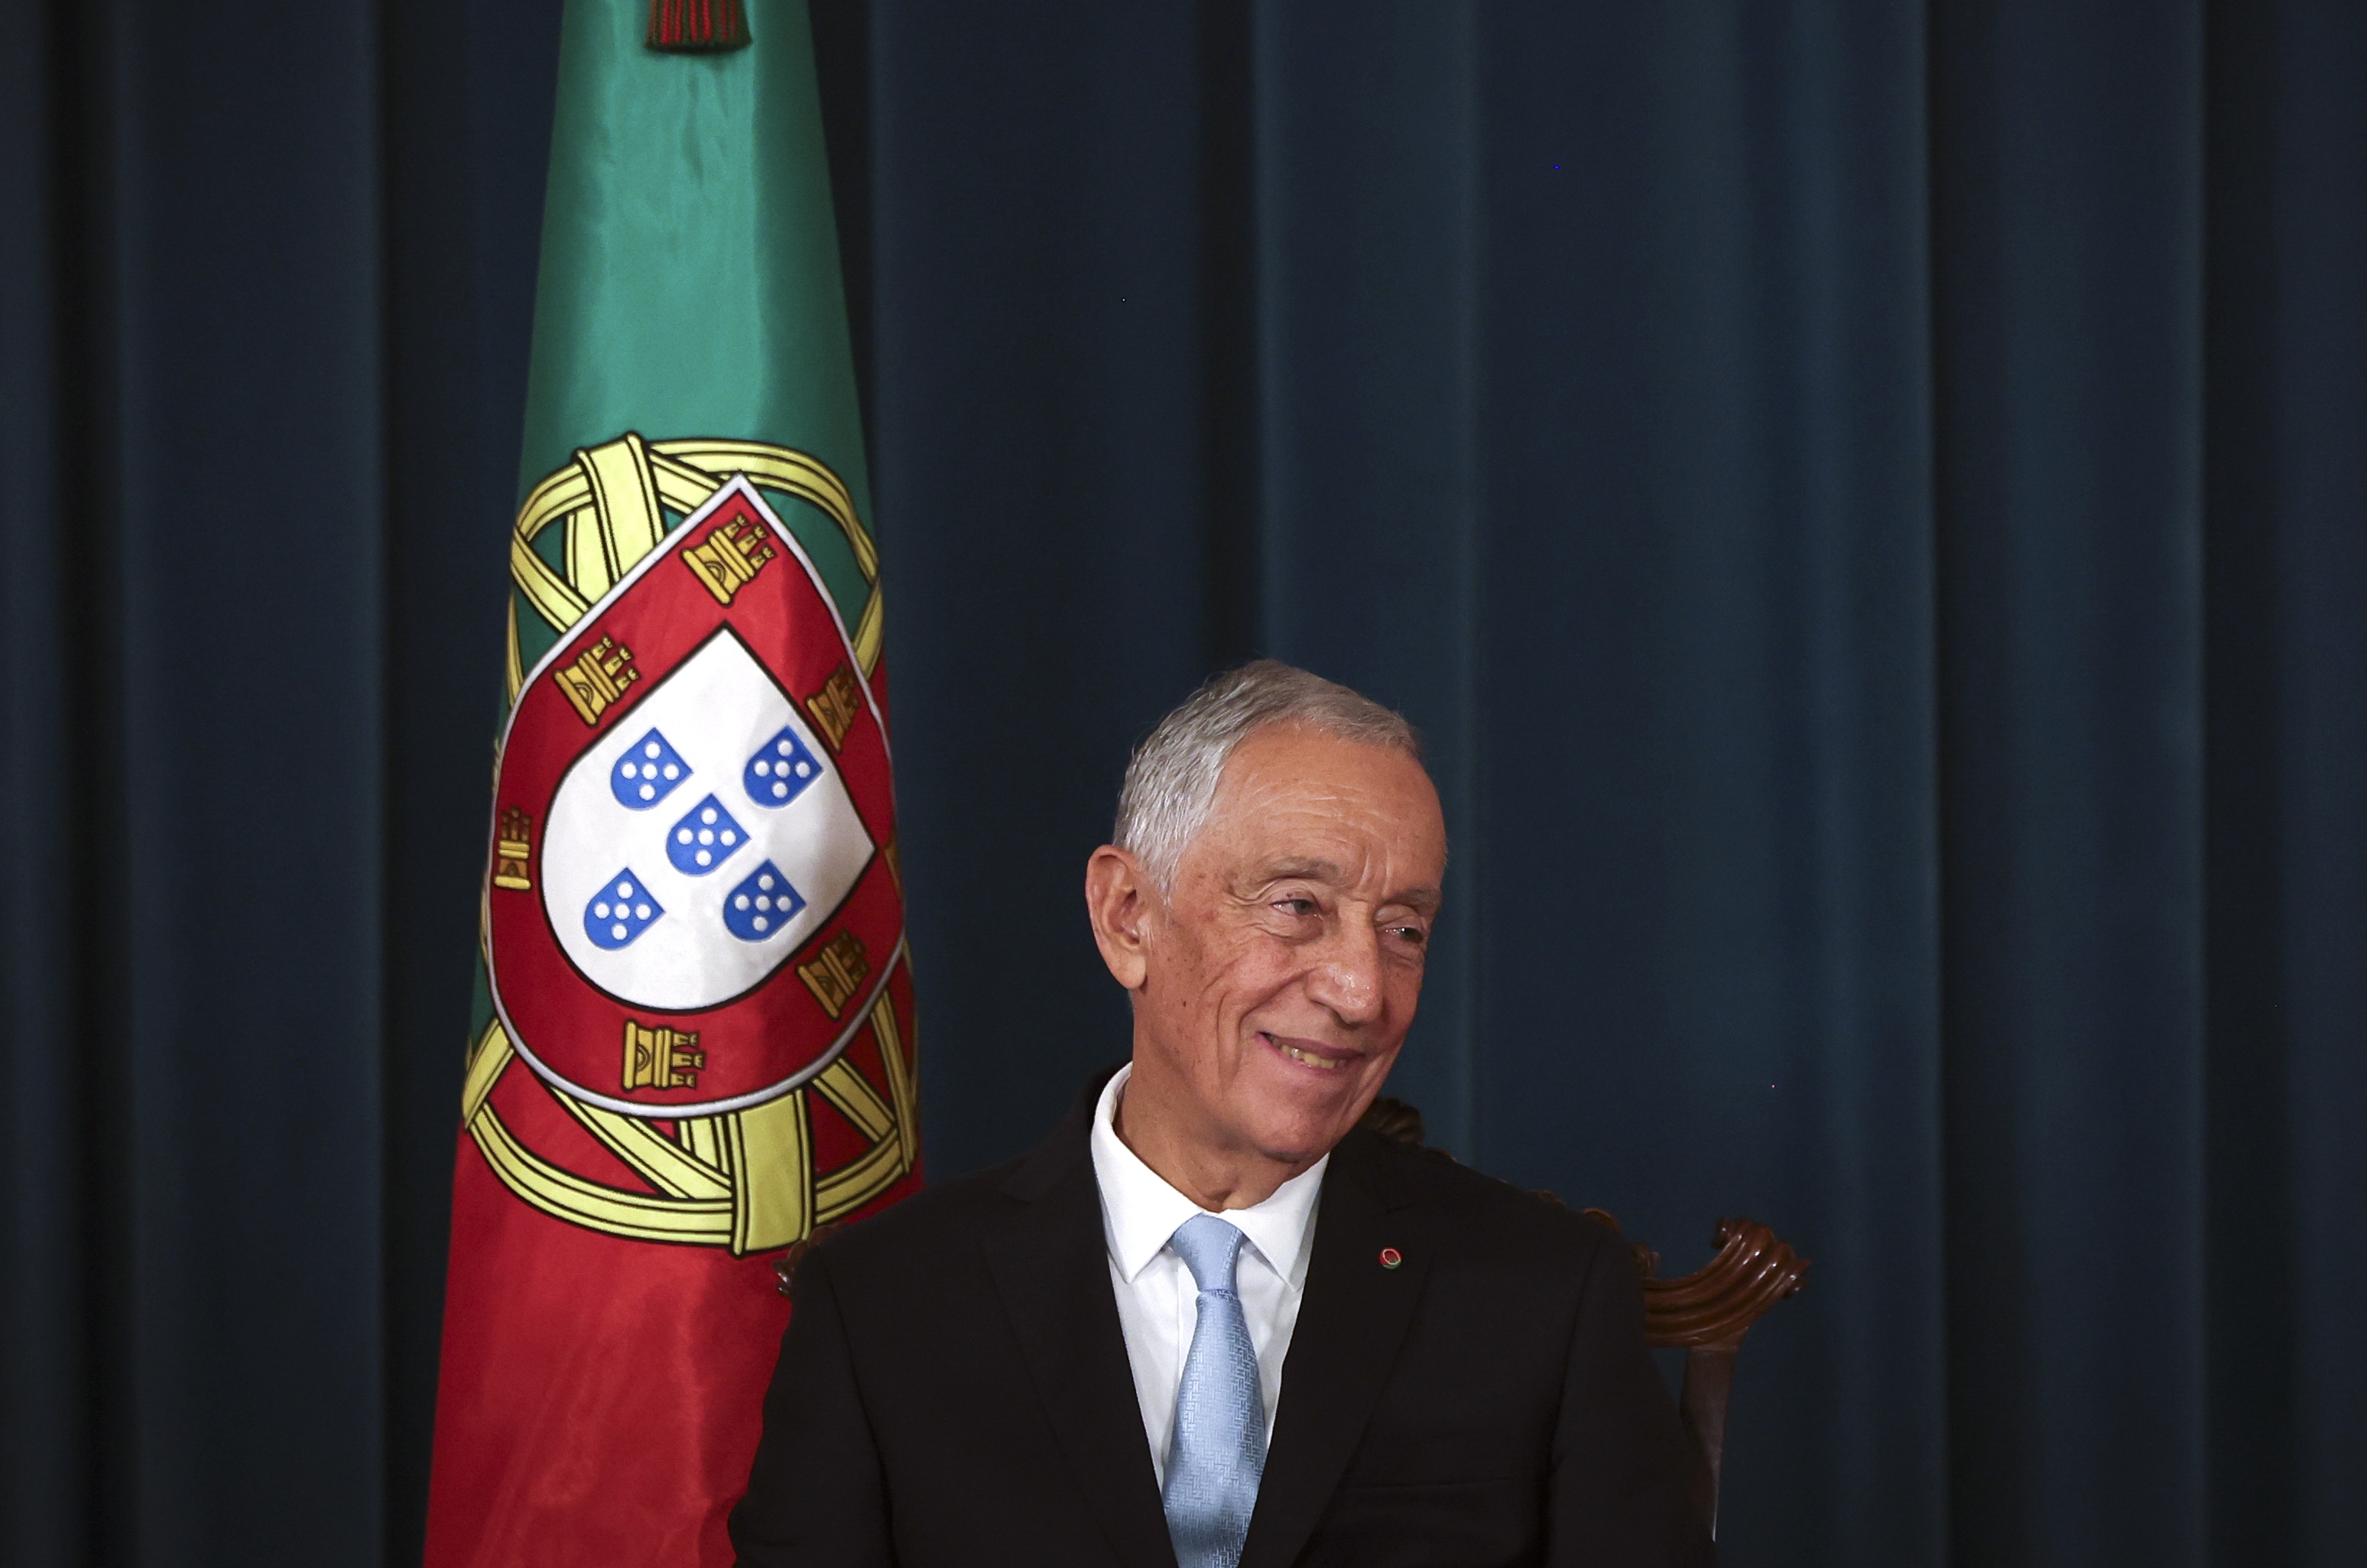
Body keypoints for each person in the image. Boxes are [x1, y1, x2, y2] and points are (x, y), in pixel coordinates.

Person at [729, 661, 1710, 1567]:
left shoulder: (1542, 1292)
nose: (1362, 991)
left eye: (1403, 929)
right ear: (1126, 916)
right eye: (1296, 907)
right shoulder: (883, 1307)